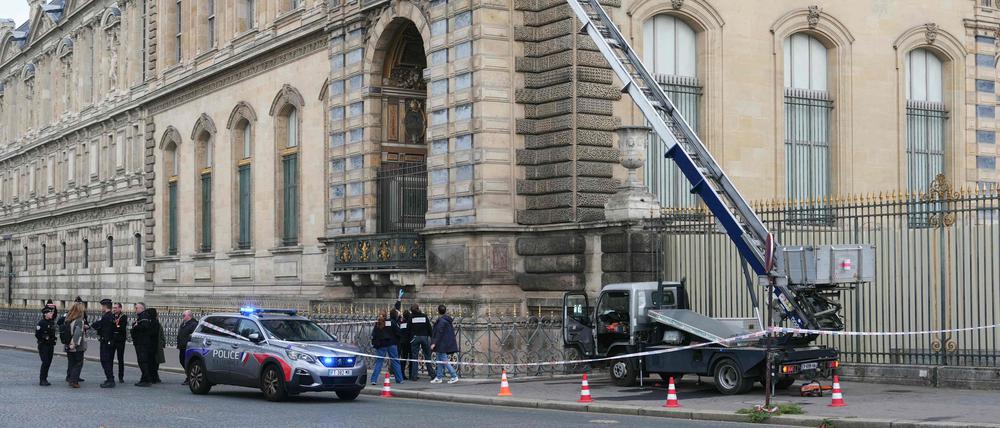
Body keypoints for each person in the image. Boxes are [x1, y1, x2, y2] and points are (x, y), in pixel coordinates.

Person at [369, 311, 404, 385]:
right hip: (392, 344)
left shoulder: (377, 324)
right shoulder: (391, 322)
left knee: (379, 362)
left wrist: (375, 344)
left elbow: (374, 336)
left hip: (381, 345)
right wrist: (396, 340)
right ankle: (399, 379)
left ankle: (374, 380)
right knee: (395, 361)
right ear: (386, 316)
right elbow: (398, 332)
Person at [91, 299, 116, 388]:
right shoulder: (111, 316)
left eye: (102, 306)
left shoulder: (106, 317)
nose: (101, 308)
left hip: (106, 342)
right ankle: (110, 378)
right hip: (110, 342)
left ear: (105, 306)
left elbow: (98, 325)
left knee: (105, 361)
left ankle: (110, 380)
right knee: (108, 361)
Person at [430, 304, 459, 384]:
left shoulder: (442, 321)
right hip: (443, 343)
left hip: (441, 344)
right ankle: (439, 377)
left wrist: (434, 343)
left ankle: (454, 376)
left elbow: (439, 333)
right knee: (439, 360)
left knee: (444, 360)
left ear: (438, 311)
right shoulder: (444, 320)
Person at [407, 303, 434, 381]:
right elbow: (429, 327)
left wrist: (410, 338)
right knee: (427, 356)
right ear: (418, 308)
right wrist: (431, 337)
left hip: (415, 338)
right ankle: (432, 374)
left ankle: (414, 376)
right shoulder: (424, 316)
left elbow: (408, 329)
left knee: (414, 357)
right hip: (424, 337)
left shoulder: (411, 317)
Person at [131, 302, 154, 387]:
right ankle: (144, 378)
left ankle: (146, 379)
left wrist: (135, 326)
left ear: (141, 308)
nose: (135, 309)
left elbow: (144, 327)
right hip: (140, 342)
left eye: (136, 308)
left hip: (142, 343)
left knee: (143, 361)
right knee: (141, 361)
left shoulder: (144, 316)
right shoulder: (141, 316)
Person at [65, 302, 88, 388]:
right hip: (76, 346)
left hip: (67, 344)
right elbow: (77, 333)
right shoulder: (79, 320)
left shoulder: (68, 319)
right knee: (78, 363)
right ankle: (74, 381)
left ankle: (70, 377)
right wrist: (74, 344)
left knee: (71, 362)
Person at [35, 306, 57, 386]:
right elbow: (37, 334)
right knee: (45, 362)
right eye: (50, 313)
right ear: (45, 314)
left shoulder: (51, 322)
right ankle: (42, 379)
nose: (51, 314)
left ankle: (45, 378)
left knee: (48, 362)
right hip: (43, 345)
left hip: (51, 345)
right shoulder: (41, 323)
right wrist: (45, 337)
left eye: (51, 313)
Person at [176, 310, 198, 385]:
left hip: (188, 347)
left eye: (184, 315)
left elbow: (193, 335)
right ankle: (189, 376)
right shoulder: (184, 323)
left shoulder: (194, 324)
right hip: (182, 346)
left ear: (189, 316)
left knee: (186, 362)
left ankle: (189, 377)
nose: (183, 317)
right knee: (182, 361)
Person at [111, 303, 128, 383]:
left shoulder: (123, 317)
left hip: (120, 340)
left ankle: (121, 376)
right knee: (110, 358)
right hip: (112, 340)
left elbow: (121, 327)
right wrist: (116, 326)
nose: (114, 309)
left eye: (116, 308)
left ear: (120, 308)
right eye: (113, 308)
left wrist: (116, 326)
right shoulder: (111, 316)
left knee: (120, 359)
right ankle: (110, 376)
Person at [149, 308, 165, 384]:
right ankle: (155, 377)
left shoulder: (155, 323)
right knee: (155, 363)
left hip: (155, 346)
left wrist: (162, 343)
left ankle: (154, 377)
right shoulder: (156, 323)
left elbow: (160, 336)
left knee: (154, 363)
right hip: (156, 346)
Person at [398, 309, 412, 379]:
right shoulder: (410, 323)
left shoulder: (402, 323)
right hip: (409, 342)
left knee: (403, 359)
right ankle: (411, 374)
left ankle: (402, 374)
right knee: (411, 359)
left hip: (402, 342)